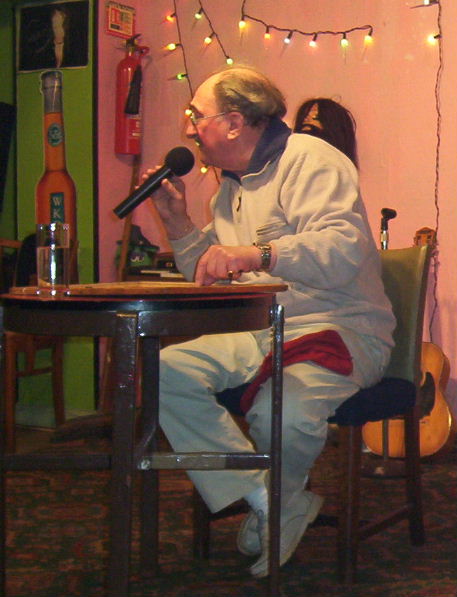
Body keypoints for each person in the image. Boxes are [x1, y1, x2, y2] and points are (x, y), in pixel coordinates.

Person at [144, 66, 395, 578]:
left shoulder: (311, 159)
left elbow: (344, 247)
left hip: (342, 327)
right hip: (265, 331)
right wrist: (176, 221)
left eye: (197, 116)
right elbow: (208, 274)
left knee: (279, 408)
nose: (188, 129)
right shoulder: (227, 188)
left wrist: (256, 253)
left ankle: (274, 501)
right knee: (162, 369)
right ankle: (269, 499)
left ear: (235, 122)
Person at [293, 97, 358, 167]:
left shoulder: (335, 166)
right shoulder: (291, 151)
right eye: (303, 118)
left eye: (315, 118)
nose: (307, 121)